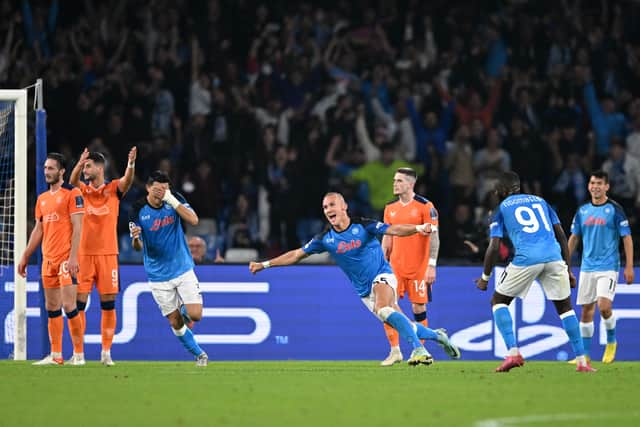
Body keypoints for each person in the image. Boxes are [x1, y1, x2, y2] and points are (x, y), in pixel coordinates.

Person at [249, 192, 460, 365]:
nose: (328, 210)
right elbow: (296, 255)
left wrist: (417, 228)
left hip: (383, 276)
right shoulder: (325, 239)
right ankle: (438, 336)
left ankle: (419, 350)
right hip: (364, 292)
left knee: (384, 309)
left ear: (344, 207)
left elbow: (393, 229)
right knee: (398, 321)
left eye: (332, 205)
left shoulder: (363, 225)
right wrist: (264, 264)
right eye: (324, 207)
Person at [475, 171, 595, 373]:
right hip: (554, 257)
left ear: (503, 190)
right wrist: (568, 269)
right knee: (565, 308)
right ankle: (582, 361)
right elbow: (562, 236)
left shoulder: (500, 209)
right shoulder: (541, 202)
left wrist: (485, 278)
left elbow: (494, 247)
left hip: (526, 258)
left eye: (497, 189)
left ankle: (513, 353)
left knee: (498, 301)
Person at [129, 171, 208, 366]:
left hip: (182, 267)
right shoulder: (138, 209)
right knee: (175, 321)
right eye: (157, 188)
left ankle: (183, 307)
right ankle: (199, 354)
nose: (160, 192)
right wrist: (136, 238)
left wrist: (171, 199)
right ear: (148, 188)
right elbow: (137, 247)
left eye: (165, 189)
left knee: (195, 314)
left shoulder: (174, 200)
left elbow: (194, 220)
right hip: (157, 274)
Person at [68, 147, 137, 366]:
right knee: (78, 305)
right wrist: (78, 164)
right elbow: (71, 182)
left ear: (100, 167)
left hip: (108, 254)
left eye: (88, 166)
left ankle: (106, 353)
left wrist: (131, 164)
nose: (85, 170)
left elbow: (127, 180)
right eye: (84, 166)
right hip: (83, 255)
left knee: (108, 304)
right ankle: (78, 354)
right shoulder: (82, 192)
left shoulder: (113, 188)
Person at [17, 153, 84, 365]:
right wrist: (26, 255)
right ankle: (56, 356)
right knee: (52, 306)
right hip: (48, 260)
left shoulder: (72, 194)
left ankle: (79, 354)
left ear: (62, 171)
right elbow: (39, 229)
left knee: (69, 305)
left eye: (51, 168)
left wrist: (73, 258)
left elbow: (78, 227)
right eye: (45, 168)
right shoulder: (42, 199)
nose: (47, 172)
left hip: (66, 259)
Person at [568, 170, 634, 364]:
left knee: (604, 306)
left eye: (599, 183)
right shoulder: (582, 211)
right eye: (592, 183)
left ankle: (611, 341)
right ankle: (585, 355)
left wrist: (629, 266)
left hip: (608, 266)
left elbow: (627, 238)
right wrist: (566, 263)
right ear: (588, 186)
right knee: (586, 311)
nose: (595, 186)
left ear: (607, 187)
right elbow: (574, 237)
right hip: (587, 267)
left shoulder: (614, 209)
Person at [379, 168, 440, 366]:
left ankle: (419, 351)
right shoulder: (390, 208)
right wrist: (381, 262)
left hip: (419, 268)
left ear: (410, 184)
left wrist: (431, 265)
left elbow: (434, 237)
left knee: (418, 308)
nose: (394, 184)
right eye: (394, 180)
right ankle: (395, 350)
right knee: (386, 306)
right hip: (395, 267)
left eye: (399, 181)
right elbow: (387, 236)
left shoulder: (426, 206)